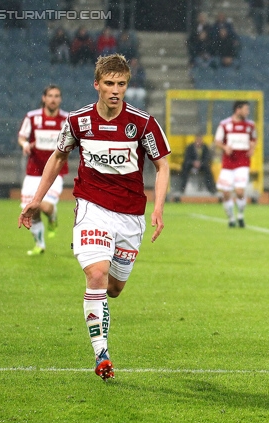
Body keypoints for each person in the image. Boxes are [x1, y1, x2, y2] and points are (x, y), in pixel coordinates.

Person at [18, 54, 171, 381]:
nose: (116, 90)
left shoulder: (142, 123)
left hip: (131, 215)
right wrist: (36, 200)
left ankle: (102, 329)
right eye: (109, 84)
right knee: (97, 275)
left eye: (122, 84)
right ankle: (101, 353)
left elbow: (162, 165)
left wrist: (157, 207)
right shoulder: (78, 121)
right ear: (96, 84)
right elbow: (58, 157)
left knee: (115, 288)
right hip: (92, 208)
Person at [17, 85, 69, 256]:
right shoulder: (32, 117)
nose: (53, 99)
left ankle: (53, 217)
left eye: (57, 96)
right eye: (50, 96)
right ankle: (40, 245)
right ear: (44, 98)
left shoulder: (67, 119)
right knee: (30, 209)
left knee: (45, 207)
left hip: (55, 171)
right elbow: (22, 136)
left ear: (60, 99)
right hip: (33, 171)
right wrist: (25, 144)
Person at [215, 101, 257, 228]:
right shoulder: (224, 124)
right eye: (245, 109)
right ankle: (231, 218)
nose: (247, 112)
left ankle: (240, 215)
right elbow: (217, 141)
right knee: (226, 193)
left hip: (243, 162)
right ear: (237, 110)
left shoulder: (250, 125)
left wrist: (252, 148)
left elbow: (254, 139)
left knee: (239, 191)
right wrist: (224, 147)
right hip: (228, 163)